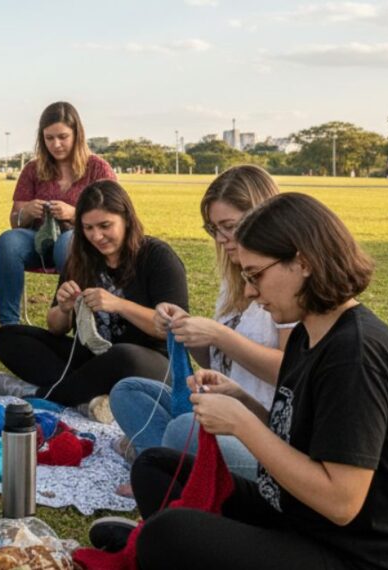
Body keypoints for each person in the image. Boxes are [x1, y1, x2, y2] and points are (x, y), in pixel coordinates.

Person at [91, 192, 388, 569]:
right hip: (297, 515)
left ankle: (163, 545)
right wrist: (240, 399)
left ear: (303, 262)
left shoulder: (356, 355)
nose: (250, 291)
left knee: (168, 533)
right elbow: (303, 433)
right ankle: (167, 548)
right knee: (154, 467)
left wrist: (241, 423)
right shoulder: (308, 333)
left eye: (255, 275)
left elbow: (341, 502)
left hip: (357, 552)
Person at [109, 165, 290, 481]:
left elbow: (290, 372)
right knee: (128, 391)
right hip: (223, 408)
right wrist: (188, 331)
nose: (221, 240)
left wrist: (218, 335)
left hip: (262, 432)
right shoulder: (233, 282)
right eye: (213, 229)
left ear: (261, 218)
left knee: (180, 430)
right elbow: (220, 360)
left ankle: (164, 467)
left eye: (229, 226)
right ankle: (168, 463)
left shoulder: (286, 286)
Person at [0, 180, 188, 407]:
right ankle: (87, 398)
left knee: (122, 356)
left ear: (127, 220)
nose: (97, 236)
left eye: (105, 226)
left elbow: (175, 328)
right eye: (88, 228)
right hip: (93, 358)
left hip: (149, 362)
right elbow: (56, 327)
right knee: (9, 337)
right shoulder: (82, 258)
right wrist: (64, 308)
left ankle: (44, 394)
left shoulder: (157, 257)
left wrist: (119, 305)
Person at [0, 102, 115, 327]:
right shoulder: (33, 169)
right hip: (38, 240)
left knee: (68, 243)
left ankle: (66, 320)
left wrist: (75, 214)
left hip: (82, 242)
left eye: (62, 137)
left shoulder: (97, 168)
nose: (56, 144)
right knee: (8, 242)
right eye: (49, 138)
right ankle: (9, 327)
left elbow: (115, 214)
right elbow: (15, 221)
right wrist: (27, 211)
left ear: (77, 134)